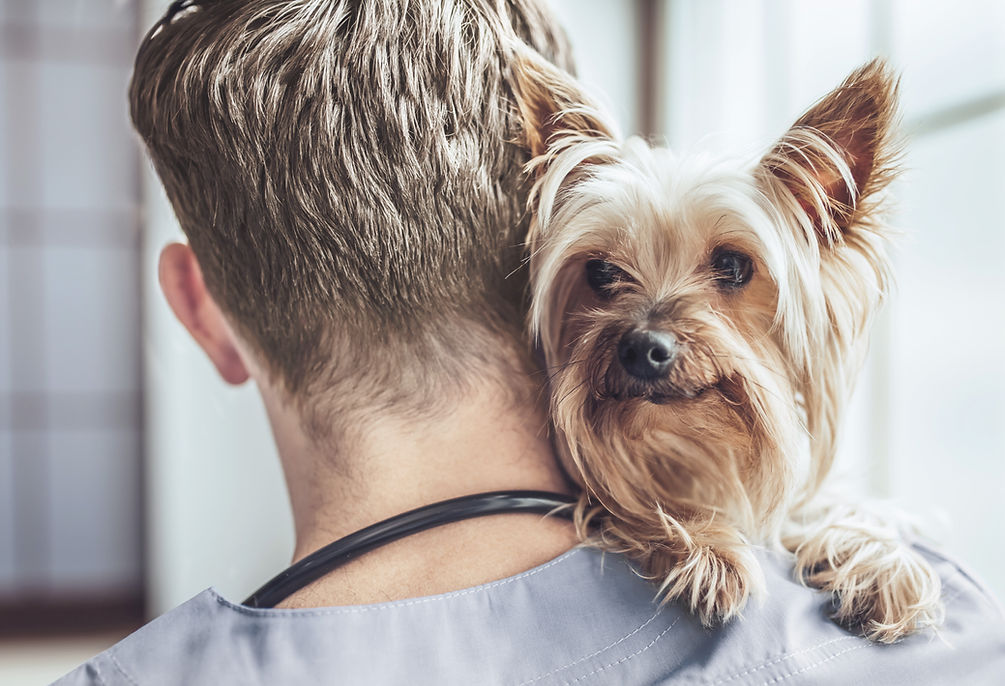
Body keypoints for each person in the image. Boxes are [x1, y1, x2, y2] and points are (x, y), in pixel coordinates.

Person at [56, 1, 1005, 683]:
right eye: (605, 275)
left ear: (197, 306)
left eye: (727, 270)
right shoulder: (947, 638)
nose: (650, 332)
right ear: (533, 270)